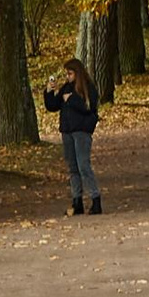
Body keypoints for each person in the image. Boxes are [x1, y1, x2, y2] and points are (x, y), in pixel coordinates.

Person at [42, 57, 103, 214]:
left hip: (81, 131)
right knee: (72, 167)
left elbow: (88, 108)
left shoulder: (88, 88)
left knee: (84, 165)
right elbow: (53, 106)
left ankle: (95, 198)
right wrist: (49, 91)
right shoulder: (66, 88)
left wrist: (72, 100)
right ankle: (77, 201)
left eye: (70, 73)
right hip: (67, 131)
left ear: (77, 73)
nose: (67, 76)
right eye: (66, 73)